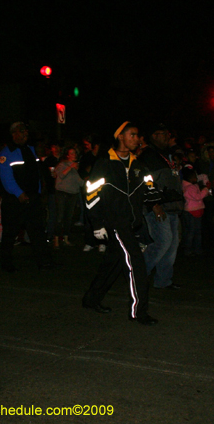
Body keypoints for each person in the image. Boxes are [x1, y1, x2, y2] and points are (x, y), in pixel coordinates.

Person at [82, 122, 159, 325]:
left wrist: (162, 195)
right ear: (120, 137)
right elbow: (91, 194)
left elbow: (149, 189)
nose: (136, 139)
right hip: (114, 222)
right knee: (136, 264)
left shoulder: (138, 165)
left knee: (113, 264)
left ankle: (91, 299)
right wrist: (97, 223)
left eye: (137, 135)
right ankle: (138, 312)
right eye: (132, 135)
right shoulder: (105, 163)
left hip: (131, 223)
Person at [0, 122, 55, 272]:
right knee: (10, 233)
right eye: (22, 131)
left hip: (32, 198)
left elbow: (36, 173)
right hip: (14, 200)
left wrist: (39, 191)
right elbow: (6, 178)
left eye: (26, 132)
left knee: (37, 231)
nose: (25, 134)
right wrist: (19, 193)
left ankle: (44, 261)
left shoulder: (30, 150)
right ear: (14, 133)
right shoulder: (5, 154)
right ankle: (6, 263)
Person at [138, 123, 184, 289]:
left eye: (167, 133)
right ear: (154, 136)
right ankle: (138, 275)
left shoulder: (168, 155)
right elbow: (145, 181)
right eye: (163, 133)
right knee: (163, 241)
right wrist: (154, 203)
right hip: (158, 205)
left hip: (172, 204)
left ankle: (163, 280)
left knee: (172, 244)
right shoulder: (148, 156)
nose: (167, 136)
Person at [54, 147, 85, 247]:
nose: (74, 155)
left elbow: (80, 182)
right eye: (72, 153)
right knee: (60, 217)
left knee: (69, 217)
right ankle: (56, 240)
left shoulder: (77, 167)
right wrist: (71, 167)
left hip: (73, 194)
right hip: (62, 193)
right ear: (67, 155)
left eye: (75, 153)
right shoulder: (62, 164)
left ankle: (66, 238)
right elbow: (61, 175)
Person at [181, 167, 209, 257]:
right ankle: (189, 249)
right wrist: (205, 190)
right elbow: (198, 197)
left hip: (196, 210)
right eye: (194, 177)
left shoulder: (192, 186)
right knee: (192, 232)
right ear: (190, 178)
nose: (196, 178)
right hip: (191, 211)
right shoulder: (189, 188)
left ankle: (196, 249)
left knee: (196, 231)